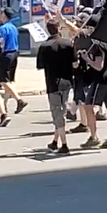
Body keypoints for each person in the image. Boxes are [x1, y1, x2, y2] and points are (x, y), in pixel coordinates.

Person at [35, 16, 76, 154]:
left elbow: (40, 66)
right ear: (59, 28)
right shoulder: (68, 44)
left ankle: (64, 144)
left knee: (57, 114)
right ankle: (55, 141)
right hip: (67, 82)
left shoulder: (44, 46)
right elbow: (75, 62)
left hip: (52, 83)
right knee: (61, 112)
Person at [76, 18, 107, 149]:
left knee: (89, 106)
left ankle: (93, 137)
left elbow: (99, 66)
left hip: (101, 80)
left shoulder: (98, 44)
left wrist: (86, 58)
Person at [0, 9, 30, 114]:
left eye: (1, 13)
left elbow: (1, 43)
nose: (0, 15)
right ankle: (3, 105)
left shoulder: (2, 29)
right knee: (10, 81)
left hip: (5, 55)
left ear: (4, 15)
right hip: (14, 53)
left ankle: (19, 100)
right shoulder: (13, 27)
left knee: (3, 81)